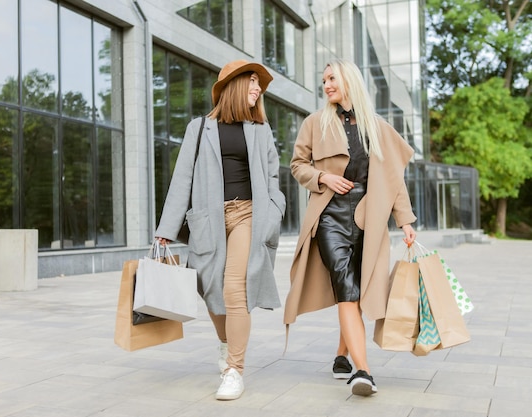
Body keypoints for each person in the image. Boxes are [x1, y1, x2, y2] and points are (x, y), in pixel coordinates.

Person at [283, 59, 417, 396]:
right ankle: (364, 371)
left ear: (349, 80)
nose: (326, 84)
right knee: (346, 285)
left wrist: (405, 220)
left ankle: (342, 355)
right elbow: (297, 165)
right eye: (323, 79)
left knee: (355, 290)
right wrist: (322, 176)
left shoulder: (377, 127)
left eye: (331, 78)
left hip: (368, 217)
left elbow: (393, 180)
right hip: (329, 215)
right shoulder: (314, 123)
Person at [155, 59, 286, 401]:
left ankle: (234, 370)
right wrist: (166, 229)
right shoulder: (199, 128)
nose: (258, 89)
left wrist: (274, 211)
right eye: (253, 82)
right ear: (234, 85)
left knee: (233, 289)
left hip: (248, 215)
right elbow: (182, 178)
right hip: (209, 219)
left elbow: (273, 178)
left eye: (260, 84)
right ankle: (227, 342)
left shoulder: (261, 130)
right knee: (210, 289)